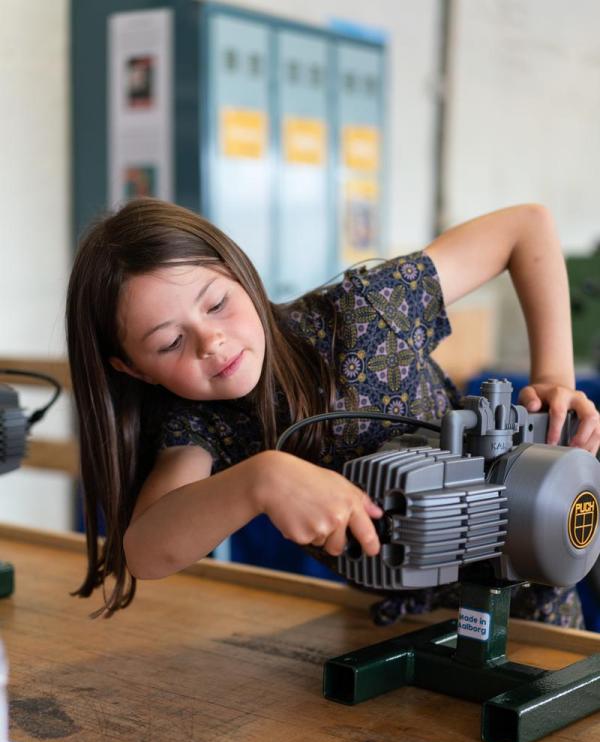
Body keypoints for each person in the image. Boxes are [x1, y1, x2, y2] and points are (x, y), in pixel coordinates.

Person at [66, 198, 600, 621]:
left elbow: (526, 225)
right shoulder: (202, 424)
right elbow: (145, 552)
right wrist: (262, 478)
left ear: (241, 274)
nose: (211, 342)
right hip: (395, 627)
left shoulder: (365, 315)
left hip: (535, 619)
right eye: (168, 343)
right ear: (134, 369)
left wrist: (554, 376)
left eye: (217, 304)